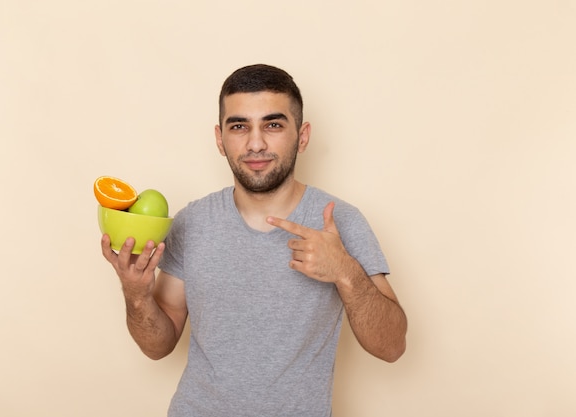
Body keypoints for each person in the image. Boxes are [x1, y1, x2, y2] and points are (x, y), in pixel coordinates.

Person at [101, 64, 407, 417]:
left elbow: (392, 346)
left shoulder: (340, 221)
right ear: (220, 139)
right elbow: (158, 346)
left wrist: (345, 272)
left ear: (302, 136)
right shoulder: (193, 221)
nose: (256, 143)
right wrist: (136, 295)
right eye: (239, 126)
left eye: (273, 125)